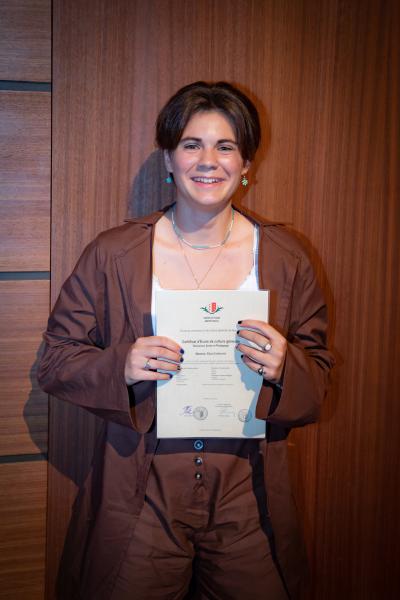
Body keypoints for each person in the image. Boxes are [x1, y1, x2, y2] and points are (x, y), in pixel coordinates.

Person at [38, 81, 334, 600]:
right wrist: (121, 365)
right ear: (169, 159)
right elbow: (55, 361)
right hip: (142, 486)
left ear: (247, 163)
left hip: (249, 485)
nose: (208, 161)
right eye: (191, 144)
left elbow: (319, 377)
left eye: (226, 146)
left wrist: (286, 367)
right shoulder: (114, 253)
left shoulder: (287, 258)